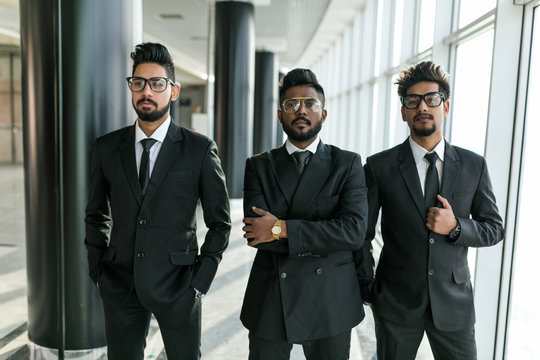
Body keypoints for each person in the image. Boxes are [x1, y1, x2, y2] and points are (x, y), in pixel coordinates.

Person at [84, 42, 231, 360]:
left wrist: (200, 281)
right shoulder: (107, 148)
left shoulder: (199, 149)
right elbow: (96, 214)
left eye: (157, 83)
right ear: (131, 88)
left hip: (179, 285)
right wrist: (98, 270)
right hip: (120, 283)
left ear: (174, 91)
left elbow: (220, 222)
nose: (146, 91)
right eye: (138, 83)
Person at [357, 61, 504, 360]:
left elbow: (494, 228)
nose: (422, 106)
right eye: (413, 101)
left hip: (454, 304)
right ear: (403, 112)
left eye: (431, 98)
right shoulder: (379, 167)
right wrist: (366, 287)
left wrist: (457, 227)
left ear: (445, 107)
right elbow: (361, 233)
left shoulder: (474, 165)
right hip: (395, 303)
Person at [241, 68, 368, 360]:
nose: (301, 110)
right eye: (291, 104)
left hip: (331, 300)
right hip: (272, 297)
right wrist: (322, 232)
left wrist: (281, 228)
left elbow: (353, 232)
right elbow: (256, 234)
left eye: (310, 104)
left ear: (323, 114)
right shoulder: (258, 165)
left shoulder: (347, 163)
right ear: (280, 115)